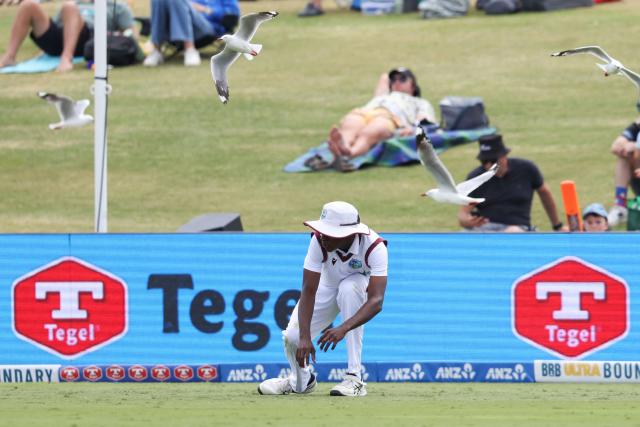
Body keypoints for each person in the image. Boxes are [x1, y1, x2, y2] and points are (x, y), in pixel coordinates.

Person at [258, 201, 388, 397]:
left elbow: (376, 301)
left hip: (356, 288)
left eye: (329, 232)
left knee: (349, 287)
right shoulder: (318, 240)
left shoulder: (375, 247)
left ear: (348, 233)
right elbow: (308, 289)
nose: (322, 235)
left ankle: (354, 378)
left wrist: (343, 328)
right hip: (325, 287)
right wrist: (304, 337)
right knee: (292, 337)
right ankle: (300, 381)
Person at [327, 67, 436, 168]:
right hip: (365, 112)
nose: (397, 82)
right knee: (351, 124)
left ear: (413, 85)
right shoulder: (383, 96)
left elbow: (425, 120)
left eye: (402, 79)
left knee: (371, 131)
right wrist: (393, 80)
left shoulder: (419, 102)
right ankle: (343, 145)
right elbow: (384, 77)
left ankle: (350, 153)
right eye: (393, 79)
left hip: (389, 116)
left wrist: (412, 129)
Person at [458, 134, 568, 232]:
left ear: (503, 156)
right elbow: (463, 214)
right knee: (460, 238)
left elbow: (545, 194)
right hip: (486, 229)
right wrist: (467, 221)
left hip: (518, 228)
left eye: (492, 161)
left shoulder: (526, 169)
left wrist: (557, 226)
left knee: (513, 231)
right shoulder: (476, 177)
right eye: (484, 161)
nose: (487, 166)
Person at [0, 0, 135, 72]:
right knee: (27, 5)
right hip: (62, 38)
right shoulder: (75, 3)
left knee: (69, 7)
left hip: (89, 40)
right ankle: (9, 57)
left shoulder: (117, 6)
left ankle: (66, 58)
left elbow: (131, 34)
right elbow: (57, 26)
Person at [143, 0, 239, 67]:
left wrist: (205, 9)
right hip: (176, 24)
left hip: (208, 27)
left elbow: (232, 15)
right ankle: (156, 50)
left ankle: (190, 49)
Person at [607, 117, 640, 227]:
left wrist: (635, 146)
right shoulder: (637, 125)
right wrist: (625, 148)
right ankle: (620, 207)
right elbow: (615, 146)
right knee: (625, 156)